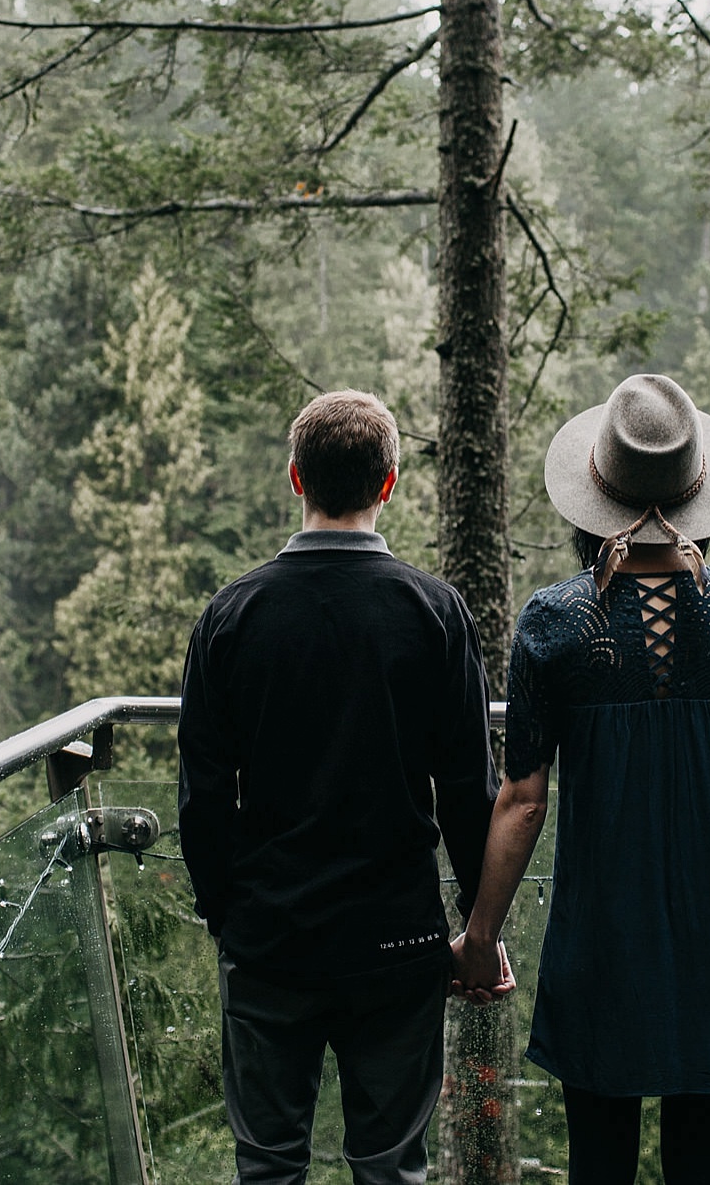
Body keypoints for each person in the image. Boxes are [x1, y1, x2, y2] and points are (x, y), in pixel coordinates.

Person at [454, 374, 710, 1185]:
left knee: (598, 1169)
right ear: (696, 491)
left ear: (596, 493)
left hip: (600, 945)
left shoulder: (555, 622)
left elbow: (522, 801)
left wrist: (480, 936)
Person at [179, 389, 499, 1185]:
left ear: (296, 478)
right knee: (391, 1167)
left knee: (269, 1164)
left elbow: (204, 797)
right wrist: (476, 932)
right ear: (389, 485)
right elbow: (469, 791)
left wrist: (230, 916)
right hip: (396, 942)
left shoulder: (232, 614)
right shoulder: (435, 612)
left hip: (270, 940)